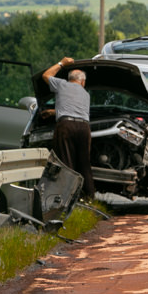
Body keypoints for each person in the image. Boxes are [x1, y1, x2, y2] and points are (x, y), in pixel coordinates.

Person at [42, 57, 95, 198]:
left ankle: (66, 198)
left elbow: (46, 75)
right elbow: (75, 110)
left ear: (69, 78)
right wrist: (54, 112)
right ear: (83, 82)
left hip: (66, 127)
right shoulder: (85, 94)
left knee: (66, 162)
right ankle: (89, 198)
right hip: (84, 128)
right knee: (84, 163)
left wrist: (61, 63)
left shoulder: (62, 85)